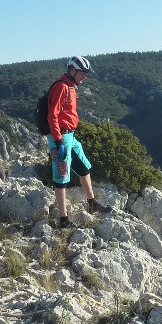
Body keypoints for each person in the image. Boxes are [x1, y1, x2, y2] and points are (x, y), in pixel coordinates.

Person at [46, 56, 112, 228]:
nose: (85, 77)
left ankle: (92, 203)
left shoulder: (71, 87)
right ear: (72, 71)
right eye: (83, 73)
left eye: (86, 74)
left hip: (71, 136)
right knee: (61, 176)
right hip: (61, 136)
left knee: (84, 166)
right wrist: (59, 142)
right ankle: (64, 220)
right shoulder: (61, 87)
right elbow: (52, 116)